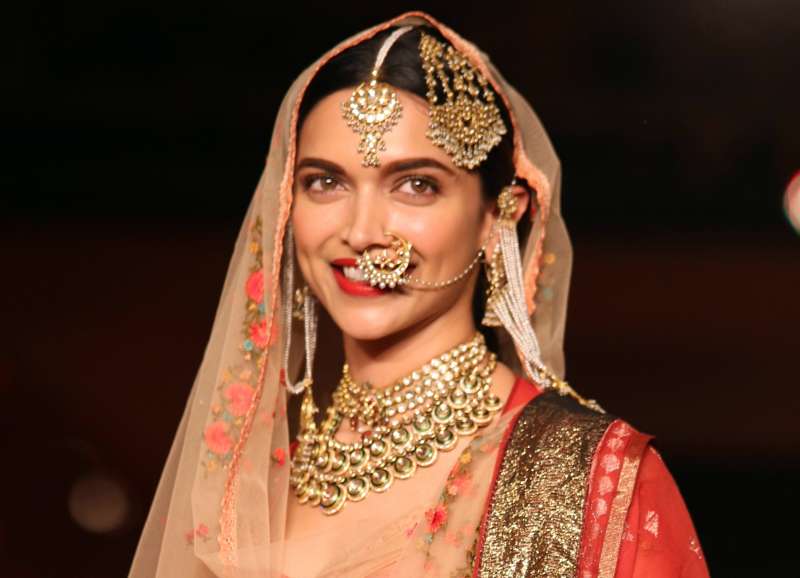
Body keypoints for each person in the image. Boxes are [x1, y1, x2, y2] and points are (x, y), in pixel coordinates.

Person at [128, 12, 709, 578]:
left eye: (415, 185)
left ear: (499, 215)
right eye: (325, 182)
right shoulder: (250, 487)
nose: (361, 232)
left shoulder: (591, 482)